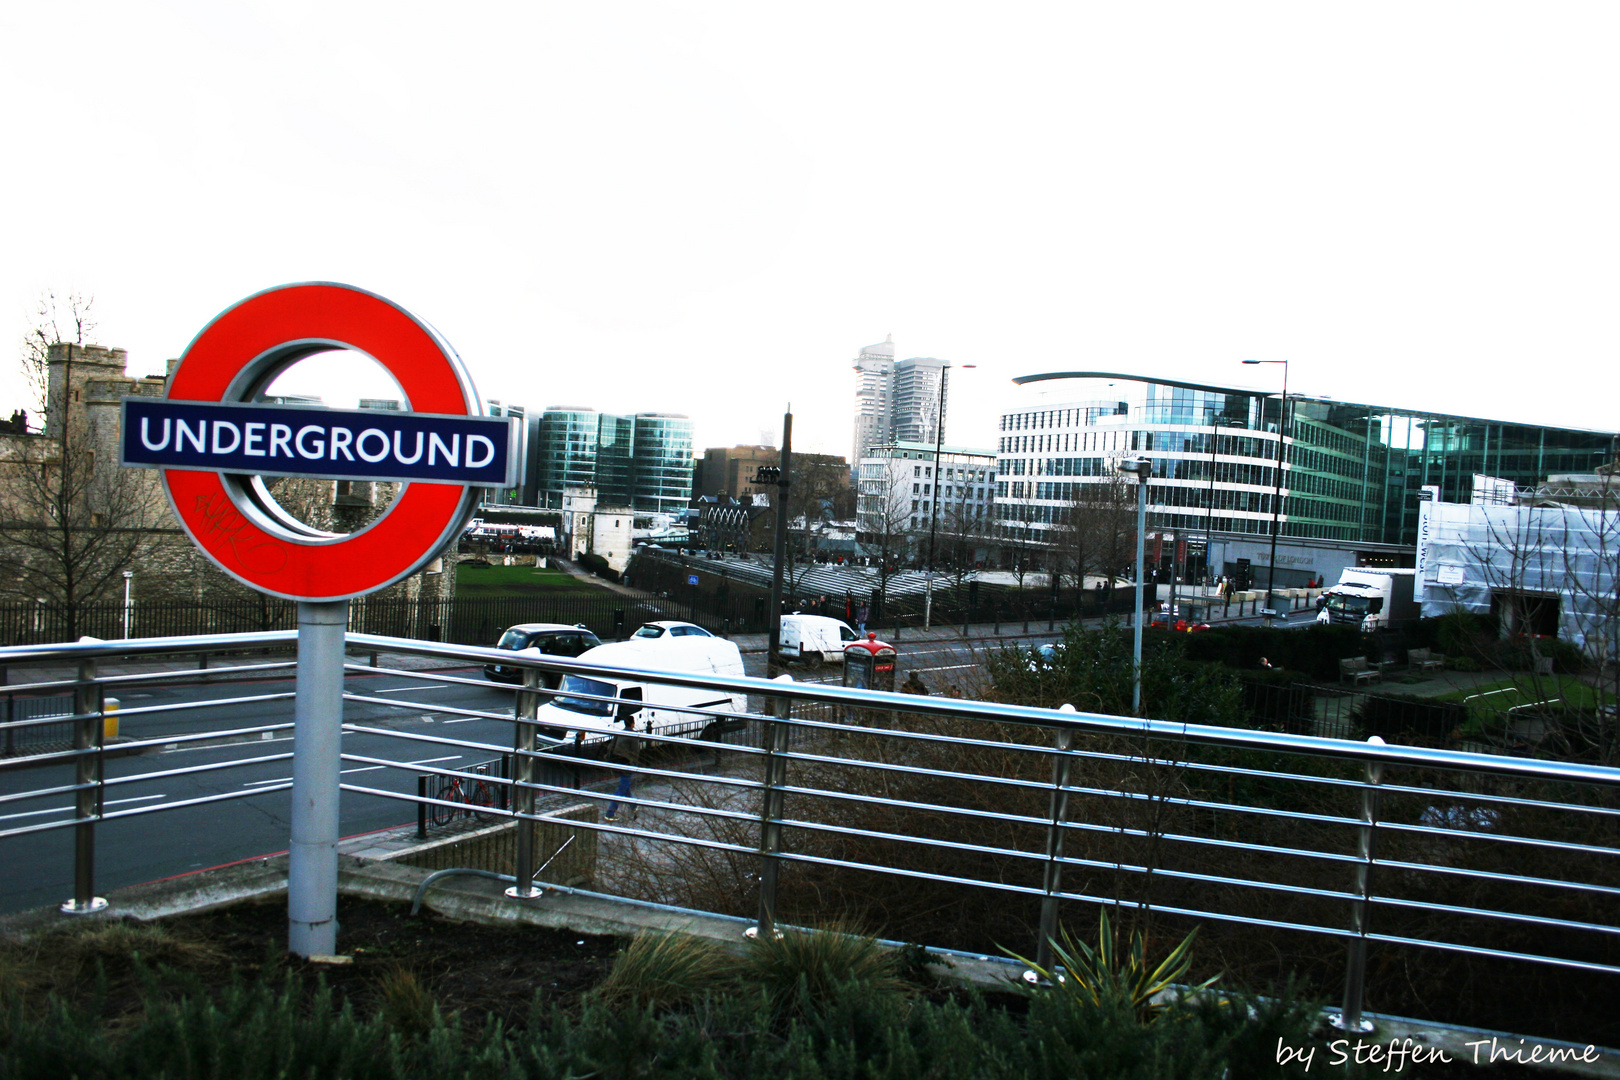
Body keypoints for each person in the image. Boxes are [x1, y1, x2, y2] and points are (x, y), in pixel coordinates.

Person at [603, 701, 642, 822]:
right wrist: (634, 765)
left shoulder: (620, 733)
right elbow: (635, 752)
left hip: (616, 762)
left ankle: (634, 807)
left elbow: (611, 746)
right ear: (633, 723)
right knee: (622, 788)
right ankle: (609, 813)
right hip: (626, 764)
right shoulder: (633, 735)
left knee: (626, 787)